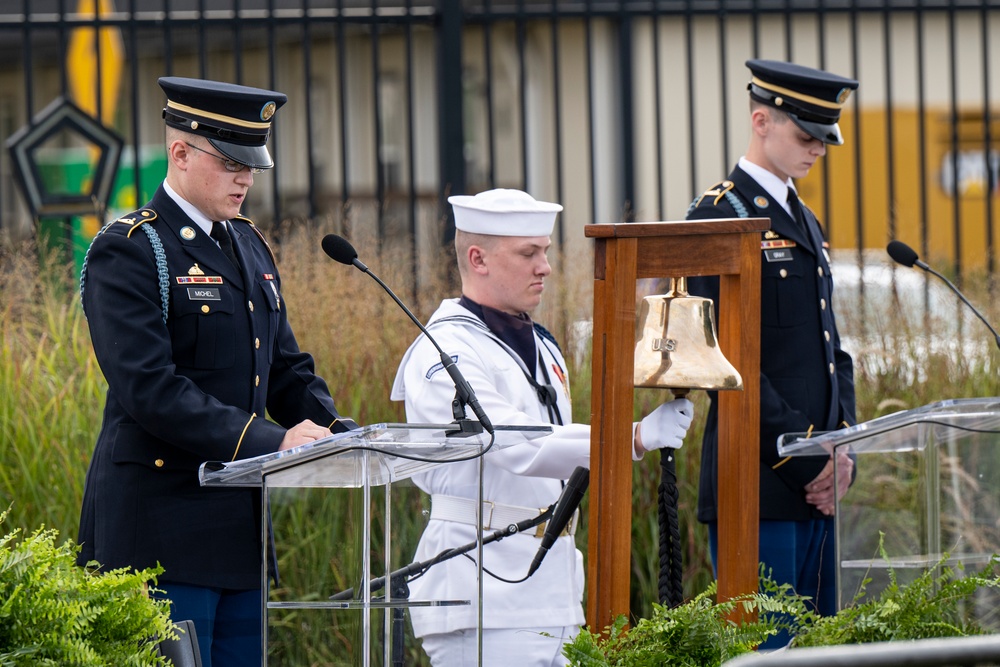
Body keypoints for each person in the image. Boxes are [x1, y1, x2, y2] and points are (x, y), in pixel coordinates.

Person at [76, 76, 357, 667]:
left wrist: (335, 431)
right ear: (179, 153)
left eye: (252, 163)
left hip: (237, 532)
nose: (246, 177)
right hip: (159, 533)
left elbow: (284, 369)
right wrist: (275, 440)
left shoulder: (248, 244)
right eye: (230, 161)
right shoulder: (132, 247)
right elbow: (150, 388)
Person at [391, 188, 694, 666]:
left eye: (546, 252)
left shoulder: (543, 345)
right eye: (528, 253)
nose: (545, 267)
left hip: (550, 589)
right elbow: (506, 442)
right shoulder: (444, 349)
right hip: (482, 591)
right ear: (478, 258)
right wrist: (630, 437)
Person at [685, 59, 859, 647]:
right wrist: (809, 458)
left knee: (823, 653)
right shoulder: (720, 214)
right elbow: (721, 359)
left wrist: (844, 449)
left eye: (824, 139)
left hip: (819, 486)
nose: (819, 151)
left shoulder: (803, 218)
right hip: (757, 485)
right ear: (761, 120)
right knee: (769, 651)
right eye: (806, 136)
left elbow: (832, 348)